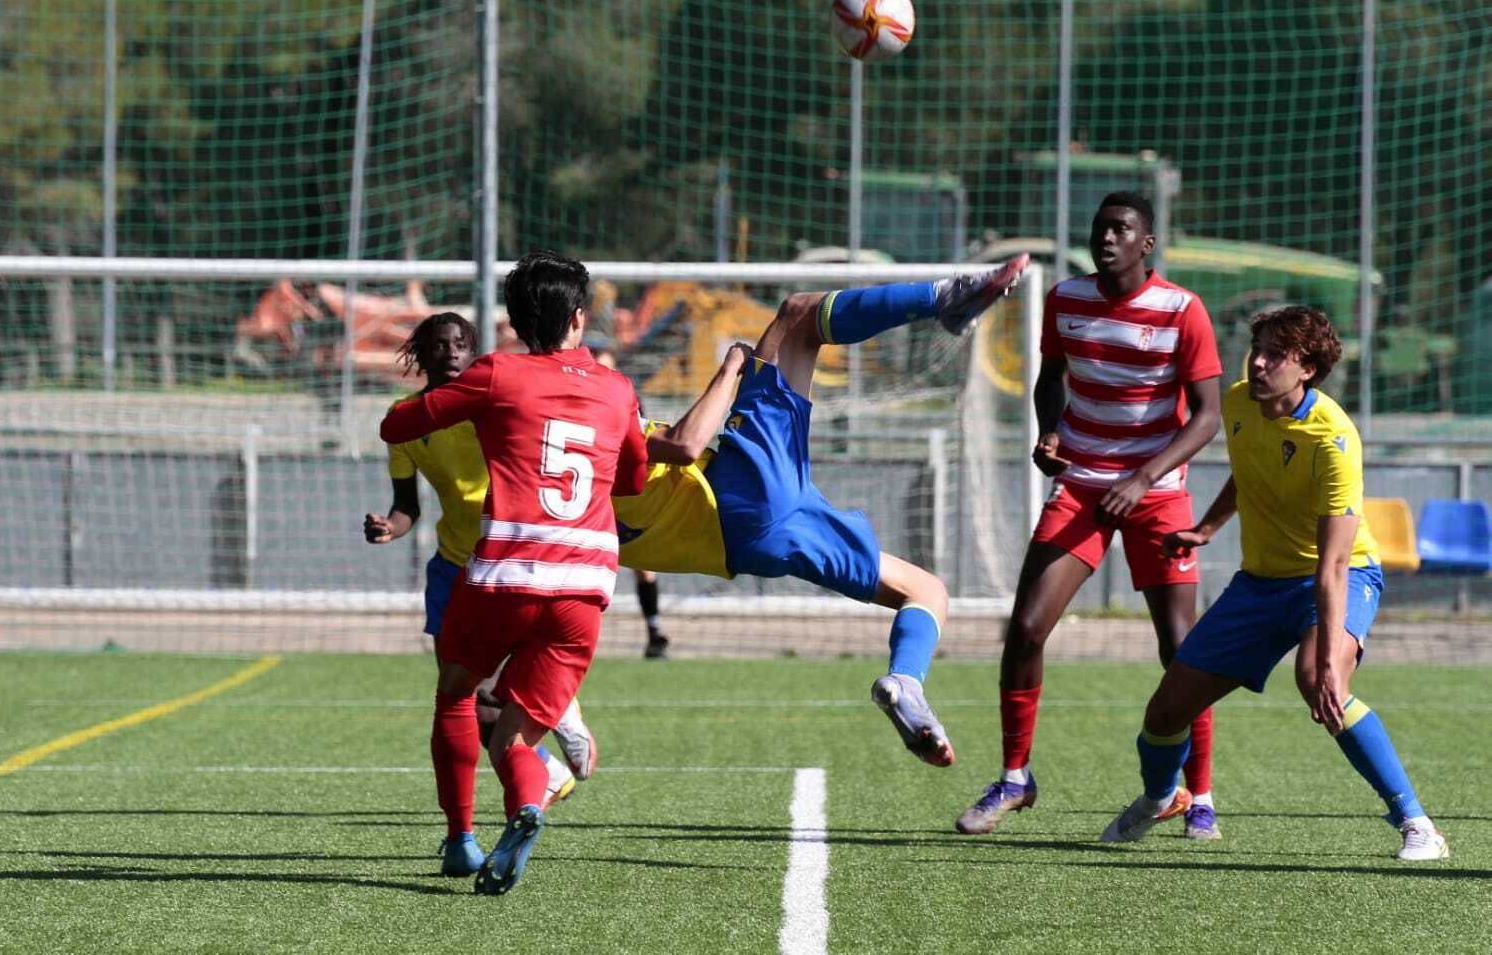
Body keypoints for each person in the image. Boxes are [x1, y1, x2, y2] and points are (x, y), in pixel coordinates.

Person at [614, 254, 1032, 765]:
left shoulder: (557, 502)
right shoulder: (613, 440)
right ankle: (942, 299)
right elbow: (683, 443)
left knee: (924, 591)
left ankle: (907, 683)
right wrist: (730, 370)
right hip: (743, 495)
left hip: (757, 545)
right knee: (797, 316)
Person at [1099, 306, 1448, 859]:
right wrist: (1206, 529)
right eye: (1255, 349)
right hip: (1259, 583)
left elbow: (1332, 565)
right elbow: (1250, 470)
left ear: (1306, 367)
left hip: (1338, 575)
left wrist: (1332, 655)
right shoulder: (1241, 402)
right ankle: (1161, 796)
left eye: (1274, 355)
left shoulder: (1333, 438)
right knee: (1165, 712)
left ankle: (1416, 823)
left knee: (1319, 680)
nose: (1258, 363)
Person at [378, 251, 649, 895]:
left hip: (505, 573)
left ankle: (458, 840)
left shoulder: (498, 373)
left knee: (456, 694)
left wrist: (456, 401)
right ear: (580, 318)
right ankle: (528, 806)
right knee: (516, 741)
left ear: (514, 321)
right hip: (584, 587)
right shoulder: (617, 387)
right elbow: (634, 478)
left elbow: (396, 422)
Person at [957, 192, 1224, 838]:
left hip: (1155, 493)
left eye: (1120, 229)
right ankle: (1015, 778)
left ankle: (1199, 794)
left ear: (1145, 242)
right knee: (1024, 627)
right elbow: (1050, 378)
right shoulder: (1066, 300)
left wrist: (1142, 477)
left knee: (1182, 651)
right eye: (1100, 228)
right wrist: (1050, 434)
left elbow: (1208, 415)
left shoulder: (1181, 309)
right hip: (1079, 488)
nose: (1107, 238)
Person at [361, 312, 596, 816]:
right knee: (463, 694)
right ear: (419, 354)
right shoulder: (407, 421)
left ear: (475, 353)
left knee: (485, 685)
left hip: (513, 559)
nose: (451, 351)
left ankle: (560, 709)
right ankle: (546, 769)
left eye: (461, 344)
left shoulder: (494, 402)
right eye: (440, 344)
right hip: (452, 567)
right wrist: (390, 527)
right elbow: (409, 507)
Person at [593, 343, 671, 659]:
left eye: (609, 367)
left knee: (643, 565)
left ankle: (654, 632)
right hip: (590, 497)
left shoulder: (627, 401)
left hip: (623, 497)